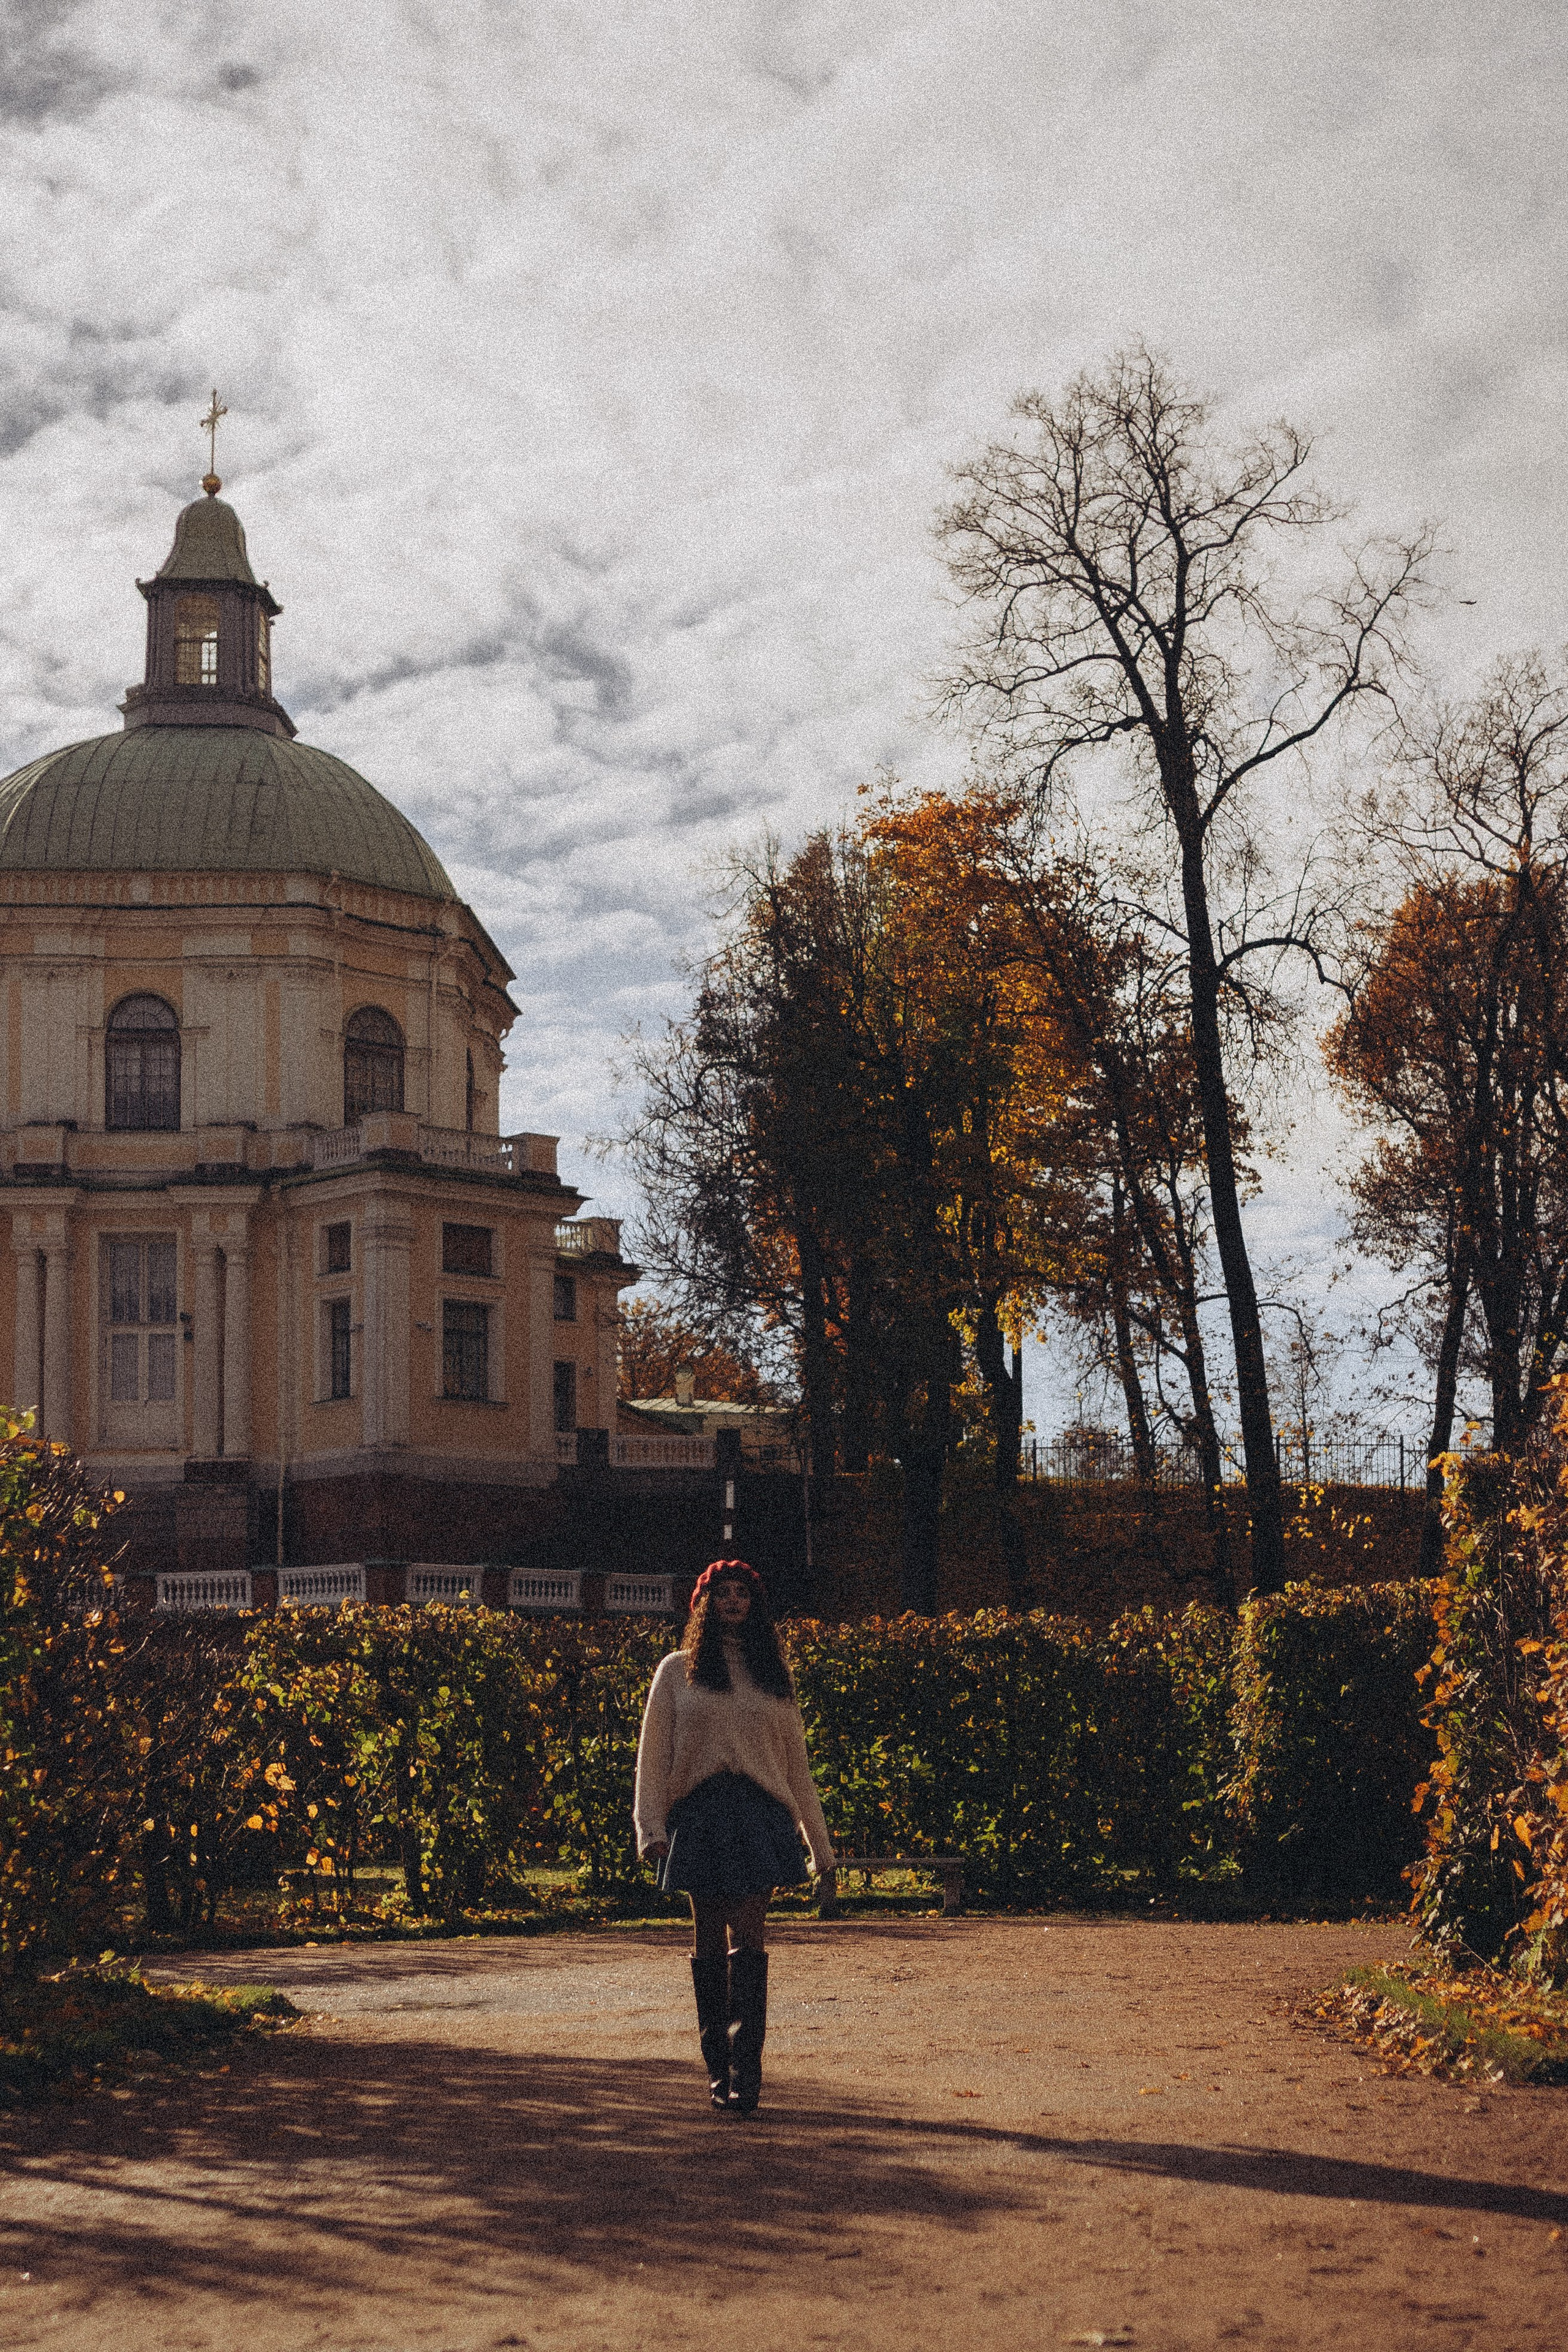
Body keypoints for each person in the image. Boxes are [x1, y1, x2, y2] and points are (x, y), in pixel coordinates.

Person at [633, 1558, 834, 2115]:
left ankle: (748, 2071)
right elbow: (653, 1758)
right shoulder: (678, 1671)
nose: (732, 1602)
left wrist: (823, 1852)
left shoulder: (774, 1677)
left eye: (742, 1593)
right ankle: (716, 2069)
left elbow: (797, 1769)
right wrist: (649, 1828)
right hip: (700, 1816)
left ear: (755, 1603)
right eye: (721, 1593)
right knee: (707, 1942)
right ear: (703, 1603)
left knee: (750, 1941)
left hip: (759, 1817)